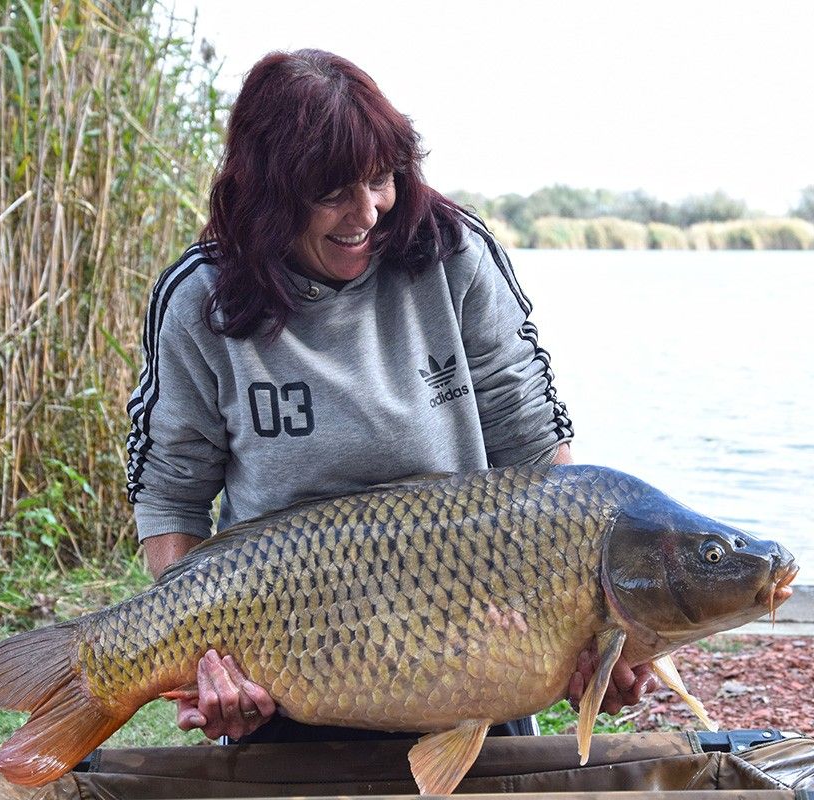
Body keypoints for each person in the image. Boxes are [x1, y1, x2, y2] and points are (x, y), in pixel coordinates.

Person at [126, 48, 656, 746]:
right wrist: (208, 664)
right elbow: (171, 496)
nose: (368, 211)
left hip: (475, 647)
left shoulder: (454, 254)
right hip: (286, 665)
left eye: (381, 180)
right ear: (266, 192)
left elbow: (539, 454)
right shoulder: (200, 298)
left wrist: (596, 628)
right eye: (332, 193)